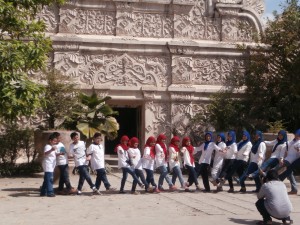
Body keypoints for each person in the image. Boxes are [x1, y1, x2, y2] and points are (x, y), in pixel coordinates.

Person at [278, 129, 300, 194]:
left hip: (293, 160)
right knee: (290, 170)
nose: (296, 136)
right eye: (296, 135)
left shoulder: (298, 142)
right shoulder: (292, 141)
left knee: (289, 169)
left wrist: (299, 150)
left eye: (298, 135)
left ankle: (279, 178)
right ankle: (294, 189)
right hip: (294, 160)